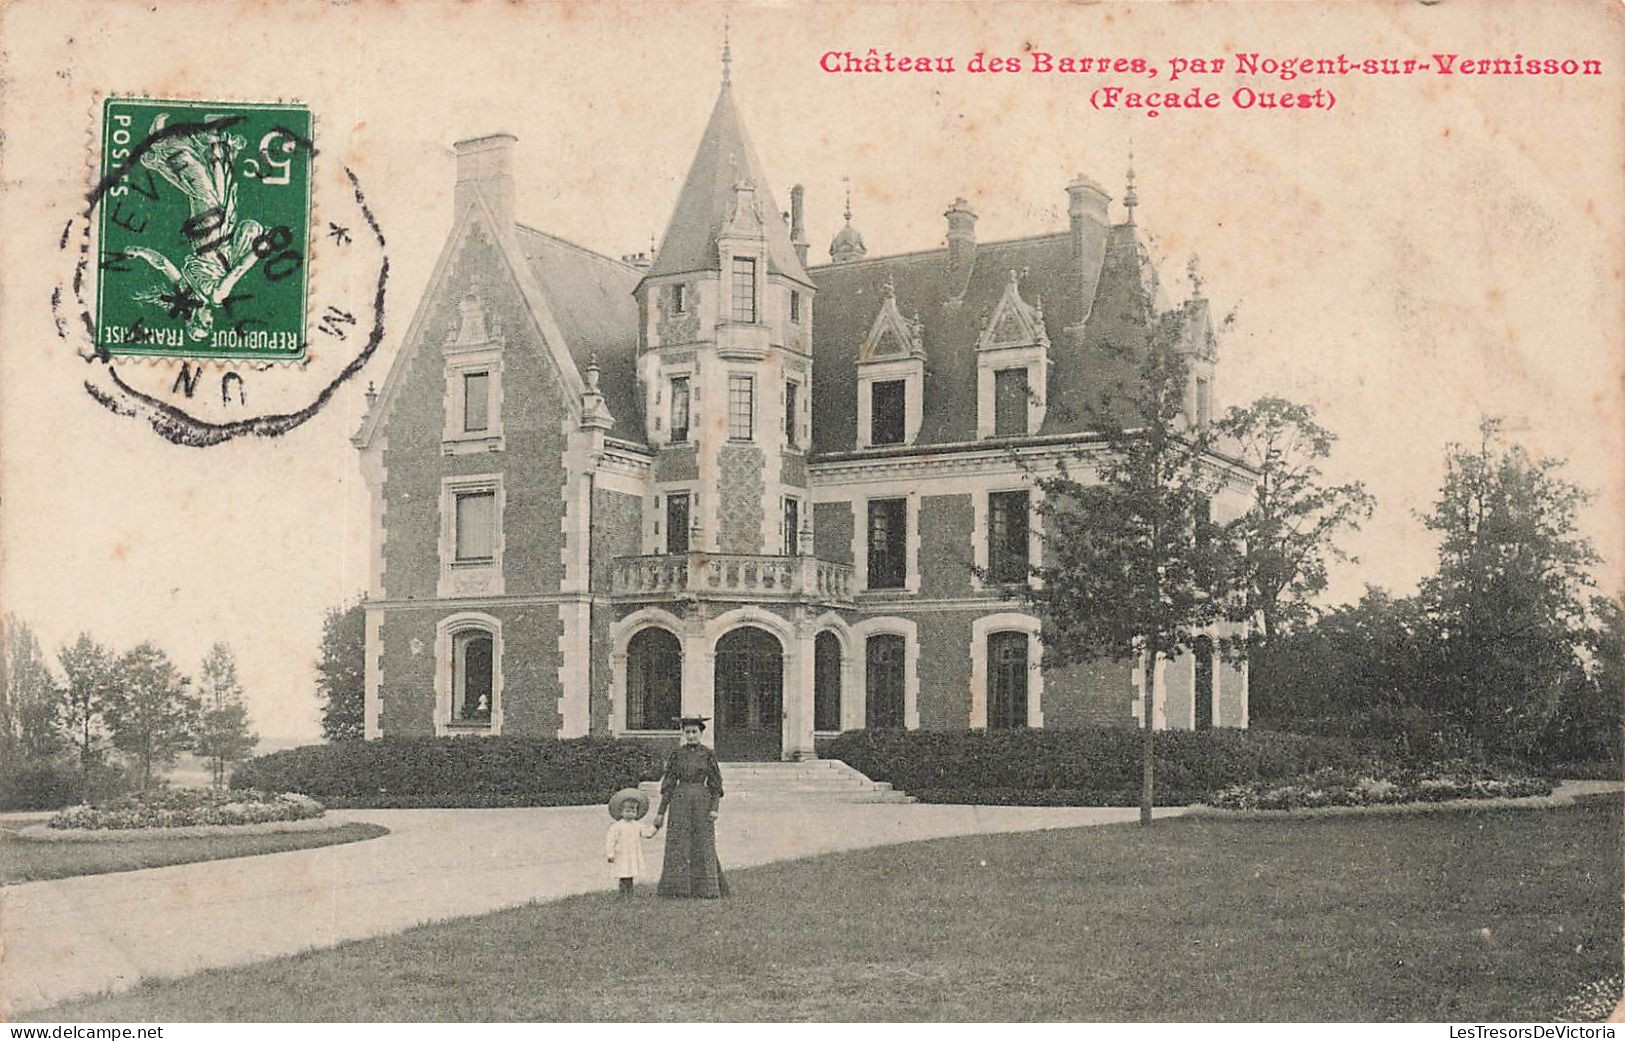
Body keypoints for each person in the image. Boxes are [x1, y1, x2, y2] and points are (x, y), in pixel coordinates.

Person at [652, 716, 729, 899]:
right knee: (679, 842)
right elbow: (669, 784)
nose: (691, 735)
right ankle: (677, 889)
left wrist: (714, 808)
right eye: (688, 732)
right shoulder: (676, 754)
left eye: (695, 732)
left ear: (701, 733)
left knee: (703, 842)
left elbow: (716, 783)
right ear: (683, 734)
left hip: (702, 801)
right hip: (680, 801)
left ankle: (706, 889)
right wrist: (661, 812)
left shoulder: (708, 754)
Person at [605, 787, 657, 900]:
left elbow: (647, 833)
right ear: (621, 811)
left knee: (630, 875)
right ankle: (622, 895)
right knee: (623, 875)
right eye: (627, 811)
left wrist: (655, 827)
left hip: (632, 855)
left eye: (633, 811)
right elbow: (610, 841)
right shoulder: (617, 826)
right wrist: (610, 854)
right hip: (621, 854)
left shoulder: (637, 825)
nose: (630, 813)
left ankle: (629, 896)